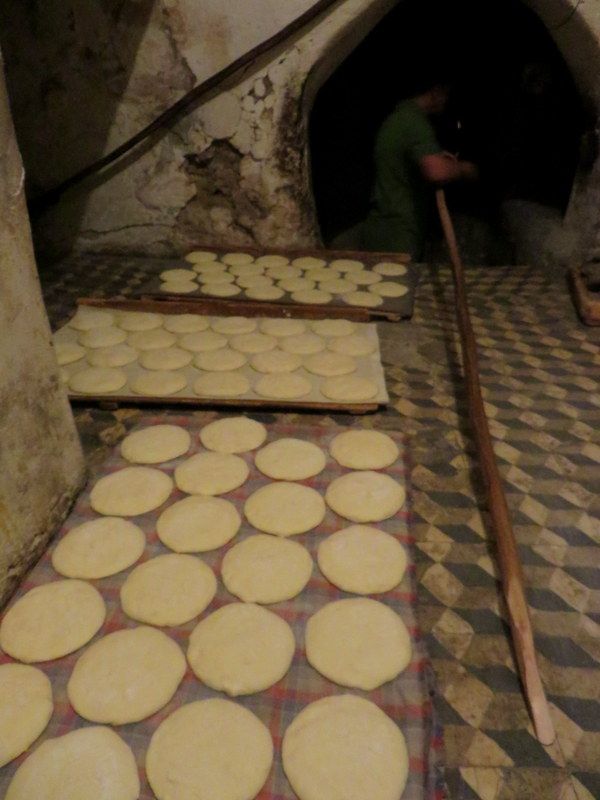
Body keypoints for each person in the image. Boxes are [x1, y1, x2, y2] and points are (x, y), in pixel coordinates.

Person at [358, 81, 477, 259]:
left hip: (385, 225)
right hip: (398, 231)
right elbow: (436, 170)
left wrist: (434, 155)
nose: (446, 100)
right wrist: (465, 169)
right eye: (445, 93)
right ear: (435, 91)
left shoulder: (398, 118)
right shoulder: (413, 121)